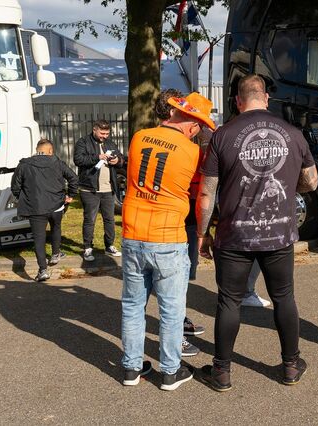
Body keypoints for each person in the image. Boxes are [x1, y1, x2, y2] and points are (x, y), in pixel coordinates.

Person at [196, 74, 318, 391]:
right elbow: (311, 182)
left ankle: (221, 373)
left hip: (234, 235)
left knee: (228, 302)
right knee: (284, 298)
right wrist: (290, 184)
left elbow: (207, 194)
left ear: (238, 101)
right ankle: (291, 366)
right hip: (278, 235)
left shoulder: (222, 136)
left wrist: (201, 232)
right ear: (265, 99)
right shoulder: (293, 134)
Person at [120, 92, 215, 391]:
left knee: (133, 306)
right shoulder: (191, 152)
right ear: (192, 125)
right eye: (200, 127)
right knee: (172, 309)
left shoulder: (138, 137)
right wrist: (202, 232)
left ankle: (131, 369)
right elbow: (199, 194)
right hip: (168, 236)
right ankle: (171, 372)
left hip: (134, 232)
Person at [148, 88, 205, 358]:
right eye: (193, 122)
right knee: (171, 283)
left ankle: (178, 322)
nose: (196, 128)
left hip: (187, 220)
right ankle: (174, 339)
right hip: (170, 224)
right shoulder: (168, 144)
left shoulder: (192, 147)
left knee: (183, 278)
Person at [11, 139, 78, 282]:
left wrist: (25, 198)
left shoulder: (24, 165)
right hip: (57, 205)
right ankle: (55, 254)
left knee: (39, 239)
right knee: (56, 227)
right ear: (50, 151)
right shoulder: (57, 163)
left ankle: (43, 270)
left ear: (37, 150)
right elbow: (73, 178)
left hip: (35, 207)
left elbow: (15, 187)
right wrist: (70, 195)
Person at [73, 119, 125, 261]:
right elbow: (78, 160)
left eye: (107, 133)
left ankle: (109, 246)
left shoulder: (110, 143)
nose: (104, 136)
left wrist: (117, 161)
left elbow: (121, 158)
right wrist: (97, 157)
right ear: (94, 130)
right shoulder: (83, 142)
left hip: (108, 188)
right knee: (90, 219)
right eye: (102, 133)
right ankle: (88, 248)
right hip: (89, 189)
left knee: (109, 219)